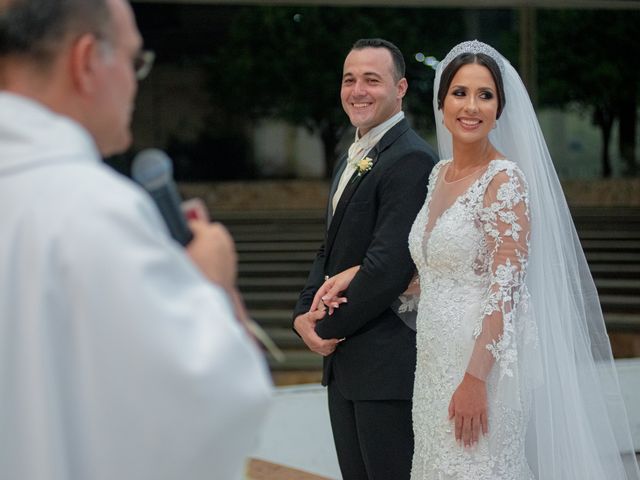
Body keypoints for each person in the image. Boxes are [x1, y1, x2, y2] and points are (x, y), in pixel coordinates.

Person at [314, 40, 640, 479]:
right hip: (432, 364)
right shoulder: (438, 174)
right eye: (460, 93)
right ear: (443, 102)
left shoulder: (504, 180)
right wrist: (354, 274)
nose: (471, 106)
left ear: (499, 108)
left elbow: (505, 291)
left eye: (484, 95)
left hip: (479, 368)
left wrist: (475, 381)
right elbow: (434, 271)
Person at [0, 1, 271, 479]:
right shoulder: (92, 209)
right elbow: (211, 409)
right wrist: (210, 282)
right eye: (133, 60)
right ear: (86, 62)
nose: (135, 81)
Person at [293, 38, 437, 479]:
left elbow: (387, 268)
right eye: (349, 79)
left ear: (400, 88)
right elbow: (330, 249)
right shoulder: (353, 155)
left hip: (385, 366)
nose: (357, 90)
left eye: (372, 80)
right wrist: (303, 314)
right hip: (346, 366)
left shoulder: (411, 158)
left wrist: (325, 327)